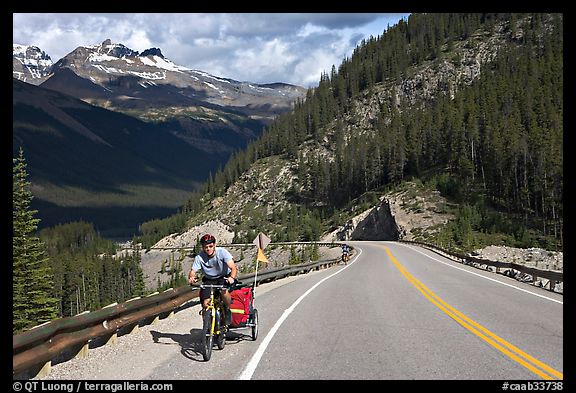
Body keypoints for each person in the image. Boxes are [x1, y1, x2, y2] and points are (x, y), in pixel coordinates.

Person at [188, 234, 238, 324]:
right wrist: (191, 277)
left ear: (214, 245)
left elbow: (233, 268)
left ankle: (227, 309)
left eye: (210, 246)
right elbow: (193, 271)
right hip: (209, 279)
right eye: (205, 247)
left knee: (224, 291)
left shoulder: (222, 252)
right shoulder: (199, 257)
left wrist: (231, 277)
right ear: (203, 247)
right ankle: (208, 327)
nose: (208, 249)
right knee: (205, 303)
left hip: (223, 277)